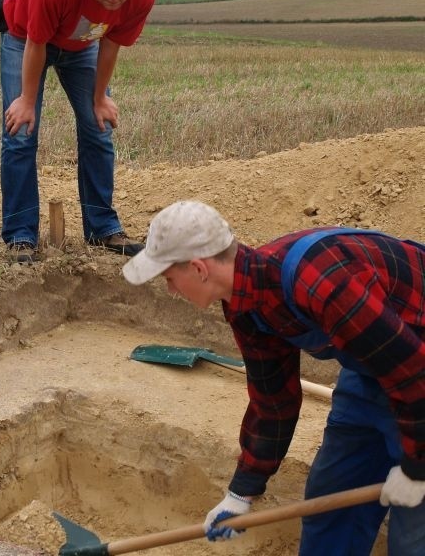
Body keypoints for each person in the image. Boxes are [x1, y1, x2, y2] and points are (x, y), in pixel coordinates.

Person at [122, 200, 425, 555]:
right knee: (330, 506)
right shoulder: (247, 306)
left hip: (415, 373)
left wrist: (416, 466)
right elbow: (273, 402)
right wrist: (241, 492)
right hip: (377, 368)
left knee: (412, 537)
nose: (171, 291)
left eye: (170, 279)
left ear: (199, 269)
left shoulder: (320, 279)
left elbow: (413, 373)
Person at [0, 0, 154, 262]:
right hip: (24, 38)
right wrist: (26, 101)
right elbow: (36, 42)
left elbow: (110, 43)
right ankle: (20, 235)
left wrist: (99, 99)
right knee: (21, 132)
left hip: (82, 45)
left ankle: (103, 228)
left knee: (99, 127)